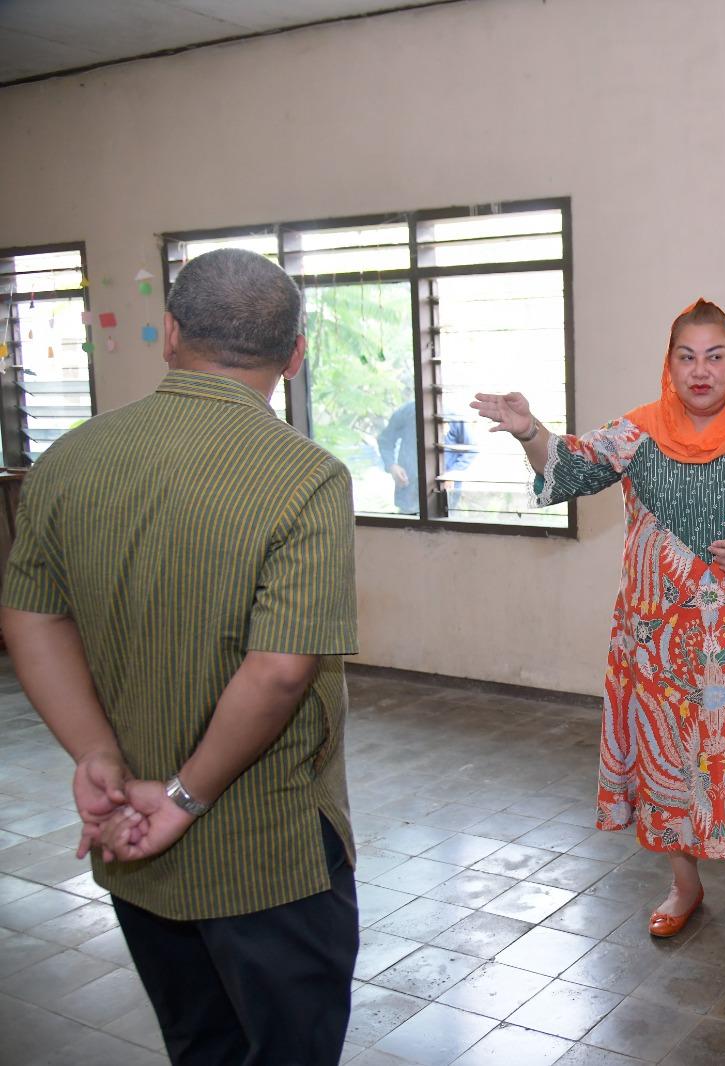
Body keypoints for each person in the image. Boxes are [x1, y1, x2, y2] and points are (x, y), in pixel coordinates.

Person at [1, 248, 359, 1065]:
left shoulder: (69, 462)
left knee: (200, 1044)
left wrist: (96, 752)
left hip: (129, 834)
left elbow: (31, 617)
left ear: (169, 336)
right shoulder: (305, 478)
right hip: (266, 855)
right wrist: (187, 798)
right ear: (295, 354)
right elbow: (279, 668)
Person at [472, 299, 725, 955]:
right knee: (668, 764)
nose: (700, 371)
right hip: (658, 643)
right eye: (686, 357)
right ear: (669, 365)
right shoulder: (637, 433)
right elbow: (571, 467)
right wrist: (530, 431)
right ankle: (683, 888)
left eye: (714, 356)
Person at [375, 398, 474, 513]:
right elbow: (385, 440)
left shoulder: (452, 416)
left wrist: (454, 473)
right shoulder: (406, 412)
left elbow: (470, 449)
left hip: (444, 491)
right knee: (407, 526)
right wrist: (392, 466)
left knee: (442, 526)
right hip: (409, 487)